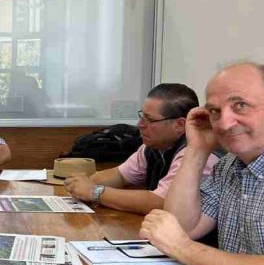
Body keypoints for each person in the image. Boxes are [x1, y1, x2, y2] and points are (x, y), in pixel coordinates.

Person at [141, 62, 264, 265]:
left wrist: (183, 248)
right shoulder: (228, 165)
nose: (224, 124)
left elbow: (178, 239)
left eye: (240, 105)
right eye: (215, 111)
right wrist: (197, 150)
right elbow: (182, 226)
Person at [64, 84, 219, 214]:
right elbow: (120, 175)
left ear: (179, 125)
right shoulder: (154, 146)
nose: (140, 125)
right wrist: (81, 184)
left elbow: (160, 202)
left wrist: (94, 191)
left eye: (149, 120)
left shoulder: (196, 153)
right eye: (142, 116)